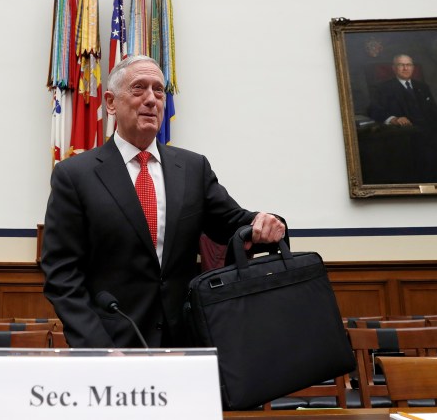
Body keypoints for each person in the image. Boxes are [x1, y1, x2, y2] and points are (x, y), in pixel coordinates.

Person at [40, 55, 287, 348]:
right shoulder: (74, 175)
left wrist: (265, 223)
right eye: (139, 88)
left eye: (158, 90)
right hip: (113, 344)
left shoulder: (193, 168)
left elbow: (233, 224)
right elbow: (62, 274)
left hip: (185, 342)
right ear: (110, 102)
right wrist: (97, 347)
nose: (151, 99)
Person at [367, 54, 437, 183]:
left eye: (408, 65)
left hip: (433, 132)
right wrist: (394, 119)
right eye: (401, 65)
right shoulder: (384, 88)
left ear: (413, 67)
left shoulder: (422, 87)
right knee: (428, 158)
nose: (405, 68)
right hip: (408, 136)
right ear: (394, 68)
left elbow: (436, 111)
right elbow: (373, 110)